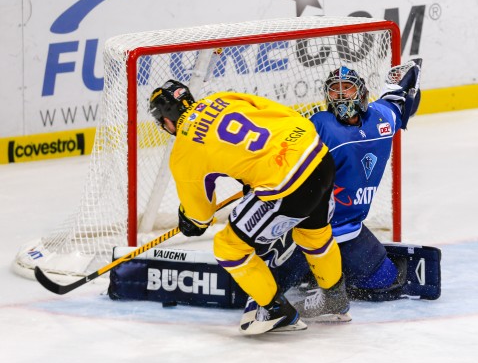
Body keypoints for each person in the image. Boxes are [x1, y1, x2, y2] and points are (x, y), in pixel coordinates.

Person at [241, 60, 441, 325]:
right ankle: (287, 281)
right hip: (311, 231)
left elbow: (400, 100)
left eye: (347, 88)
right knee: (270, 290)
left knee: (385, 283)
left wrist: (408, 77)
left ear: (362, 93)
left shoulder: (381, 118)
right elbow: (283, 157)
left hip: (350, 229)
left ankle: (319, 278)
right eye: (335, 90)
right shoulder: (319, 125)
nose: (342, 95)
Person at [148, 80, 350, 335]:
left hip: (287, 182)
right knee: (312, 232)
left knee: (228, 247)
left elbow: (200, 218)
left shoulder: (183, 151)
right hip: (317, 154)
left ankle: (276, 311)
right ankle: (334, 297)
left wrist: (188, 220)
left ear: (166, 120)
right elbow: (280, 113)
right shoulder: (222, 97)